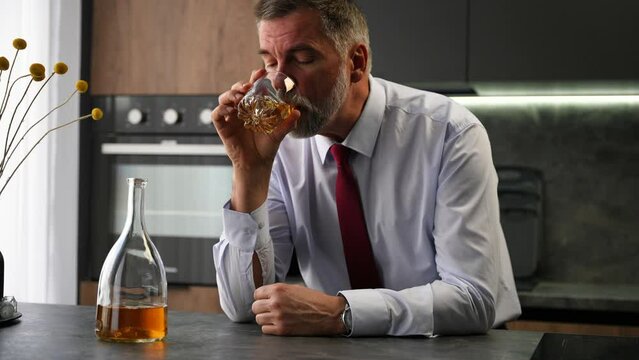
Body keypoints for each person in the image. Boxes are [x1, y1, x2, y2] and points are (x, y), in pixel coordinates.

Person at [211, 0, 521, 337]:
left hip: (458, 347)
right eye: (270, 62)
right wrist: (249, 170)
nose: (280, 80)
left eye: (302, 59)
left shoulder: (449, 132)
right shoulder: (280, 145)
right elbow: (243, 307)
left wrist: (339, 313)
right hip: (343, 349)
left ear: (355, 62)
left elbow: (472, 299)